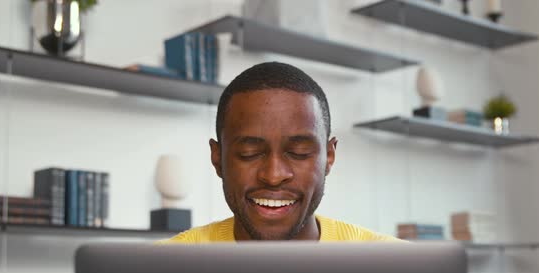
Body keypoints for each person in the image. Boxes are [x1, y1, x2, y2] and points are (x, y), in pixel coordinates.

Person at [167, 62, 399, 242]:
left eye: (299, 152)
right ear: (217, 158)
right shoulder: (163, 268)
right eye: (249, 153)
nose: (273, 175)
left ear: (329, 156)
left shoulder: (396, 268)